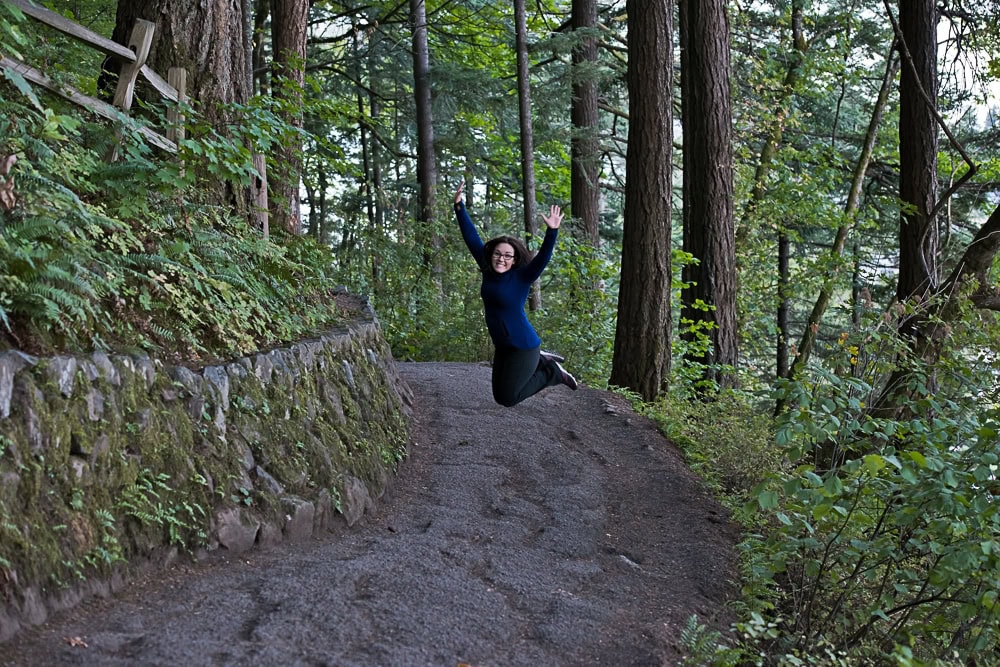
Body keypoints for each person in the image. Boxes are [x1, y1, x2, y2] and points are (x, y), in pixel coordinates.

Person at [454, 181, 578, 407]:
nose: (501, 259)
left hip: (523, 345)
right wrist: (459, 207)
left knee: (509, 398)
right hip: (503, 345)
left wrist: (552, 231)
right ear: (491, 255)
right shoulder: (487, 269)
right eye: (498, 254)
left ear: (514, 259)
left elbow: (542, 259)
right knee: (499, 396)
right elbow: (471, 237)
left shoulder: (522, 276)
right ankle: (542, 360)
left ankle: (552, 373)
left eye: (507, 256)